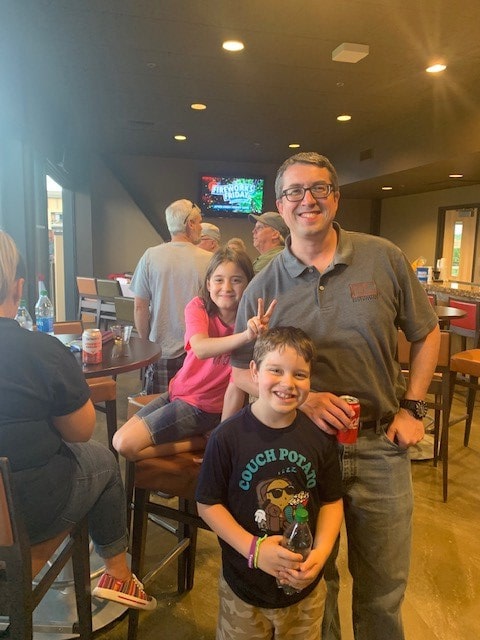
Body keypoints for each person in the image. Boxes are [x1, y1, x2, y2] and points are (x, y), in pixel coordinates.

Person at [229, 152, 441, 640]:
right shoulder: (264, 284)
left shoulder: (383, 257)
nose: (307, 200)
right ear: (281, 206)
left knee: (383, 589)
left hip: (379, 444)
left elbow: (427, 332)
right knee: (312, 583)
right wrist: (303, 400)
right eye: (294, 191)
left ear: (336, 198)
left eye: (319, 188)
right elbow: (241, 370)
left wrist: (413, 407)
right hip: (302, 451)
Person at [0, 230, 155, 611]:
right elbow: (81, 430)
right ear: (18, 288)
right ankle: (118, 574)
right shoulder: (42, 351)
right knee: (102, 459)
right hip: (27, 509)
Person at [196, 326, 344, 640]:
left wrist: (322, 554)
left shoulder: (320, 438)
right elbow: (207, 504)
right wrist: (255, 550)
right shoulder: (227, 438)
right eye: (275, 370)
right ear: (254, 371)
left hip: (304, 592)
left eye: (299, 374)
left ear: (310, 379)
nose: (287, 383)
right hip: (244, 590)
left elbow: (332, 501)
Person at [113, 247, 275, 461]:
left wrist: (220, 438)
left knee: (126, 445)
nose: (226, 288)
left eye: (236, 280)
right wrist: (246, 336)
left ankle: (205, 441)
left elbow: (236, 385)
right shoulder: (199, 306)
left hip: (206, 408)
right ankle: (202, 440)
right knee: (118, 439)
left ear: (248, 284)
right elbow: (200, 348)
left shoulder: (252, 322)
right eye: (218, 280)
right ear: (208, 284)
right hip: (178, 392)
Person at [129, 199, 211, 394]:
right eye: (199, 222)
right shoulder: (209, 260)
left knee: (158, 407)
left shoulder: (150, 256)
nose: (201, 228)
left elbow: (140, 307)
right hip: (197, 351)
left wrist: (146, 344)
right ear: (190, 224)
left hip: (160, 350)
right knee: (192, 407)